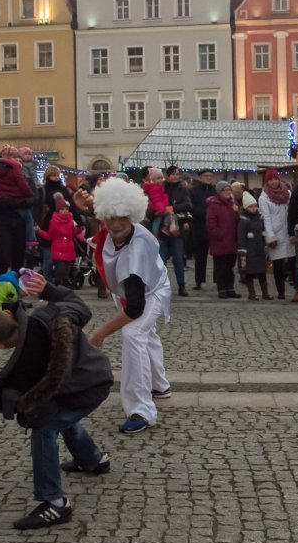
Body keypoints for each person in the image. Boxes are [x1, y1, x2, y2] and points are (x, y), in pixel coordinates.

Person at [0, 272, 113, 531]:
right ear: (7, 315)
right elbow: (81, 306)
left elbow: (32, 403)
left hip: (86, 388)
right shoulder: (46, 315)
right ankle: (93, 460)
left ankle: (55, 502)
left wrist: (24, 411)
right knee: (60, 414)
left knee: (44, 428)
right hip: (97, 374)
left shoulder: (26, 362)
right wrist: (48, 289)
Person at [87, 177, 171, 435]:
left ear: (132, 216)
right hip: (134, 289)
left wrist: (100, 333)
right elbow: (102, 234)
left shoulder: (137, 250)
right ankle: (160, 385)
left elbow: (135, 308)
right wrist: (82, 208)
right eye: (110, 217)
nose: (115, 223)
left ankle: (142, 409)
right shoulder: (112, 229)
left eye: (122, 217)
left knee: (133, 333)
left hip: (153, 290)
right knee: (148, 334)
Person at [0, 155, 38, 276]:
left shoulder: (27, 180)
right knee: (3, 256)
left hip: (19, 221)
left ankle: (15, 285)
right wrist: (11, 202)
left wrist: (17, 202)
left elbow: (35, 198)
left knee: (18, 256)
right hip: (2, 220)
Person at [259, 169, 296, 300]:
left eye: (275, 178)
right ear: (267, 181)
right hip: (275, 233)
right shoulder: (264, 197)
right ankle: (281, 291)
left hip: (288, 231)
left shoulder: (288, 192)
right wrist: (270, 236)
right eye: (270, 179)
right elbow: (266, 218)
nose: (273, 181)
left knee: (293, 260)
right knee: (278, 264)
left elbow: (292, 211)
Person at [39, 193, 85, 289]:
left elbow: (72, 234)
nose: (64, 211)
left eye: (66, 209)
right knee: (60, 269)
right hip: (58, 249)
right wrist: (40, 232)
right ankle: (58, 285)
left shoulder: (70, 219)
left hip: (69, 249)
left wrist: (79, 229)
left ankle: (63, 288)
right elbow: (50, 236)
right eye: (62, 209)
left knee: (66, 271)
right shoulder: (53, 221)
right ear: (58, 210)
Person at [206, 180, 241, 299]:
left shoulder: (232, 205)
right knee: (221, 268)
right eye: (225, 190)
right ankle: (222, 289)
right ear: (219, 192)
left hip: (231, 242)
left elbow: (237, 223)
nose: (227, 192)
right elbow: (211, 224)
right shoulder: (213, 205)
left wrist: (237, 213)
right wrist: (219, 235)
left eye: (229, 190)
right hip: (220, 242)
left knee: (230, 268)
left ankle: (230, 288)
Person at [160, 166, 191, 297]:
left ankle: (181, 286)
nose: (175, 176)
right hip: (162, 229)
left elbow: (188, 205)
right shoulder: (160, 188)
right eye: (173, 174)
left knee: (178, 259)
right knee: (161, 261)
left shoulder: (182, 189)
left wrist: (172, 208)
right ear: (167, 175)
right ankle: (161, 286)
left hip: (176, 230)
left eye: (177, 174)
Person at [188, 169, 217, 291]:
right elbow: (191, 208)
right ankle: (199, 281)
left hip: (215, 227)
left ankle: (218, 280)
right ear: (200, 178)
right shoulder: (193, 191)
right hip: (199, 226)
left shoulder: (215, 190)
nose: (209, 178)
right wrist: (207, 214)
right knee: (200, 256)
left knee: (217, 255)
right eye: (206, 176)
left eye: (211, 176)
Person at [238, 192, 269, 300]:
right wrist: (242, 253)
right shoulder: (244, 220)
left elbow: (263, 231)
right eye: (251, 206)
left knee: (262, 272)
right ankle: (252, 293)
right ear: (246, 207)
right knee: (249, 272)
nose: (254, 208)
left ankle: (265, 293)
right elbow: (241, 237)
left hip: (259, 248)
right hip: (249, 250)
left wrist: (266, 245)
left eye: (255, 206)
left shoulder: (260, 218)